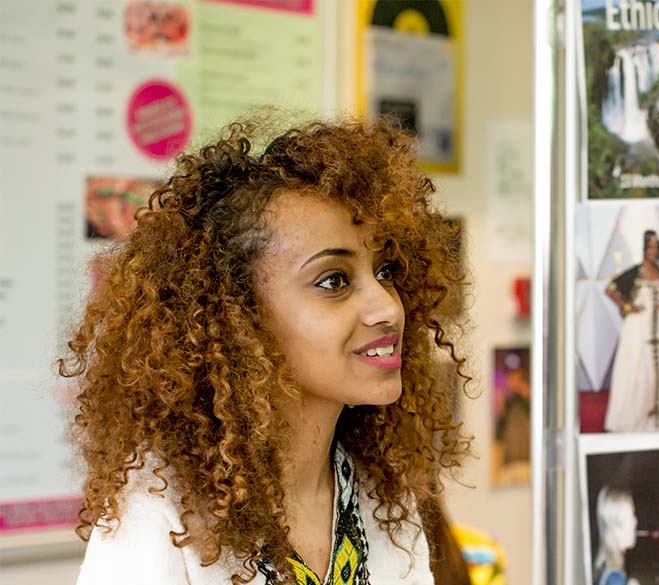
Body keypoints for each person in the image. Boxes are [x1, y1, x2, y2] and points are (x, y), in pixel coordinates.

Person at [64, 118, 470, 584]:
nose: (387, 309)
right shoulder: (159, 511)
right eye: (334, 281)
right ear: (239, 315)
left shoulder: (384, 495)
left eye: (384, 272)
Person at [603, 230, 659, 432]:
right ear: (644, 249)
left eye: (657, 247)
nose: (654, 251)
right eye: (650, 247)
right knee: (638, 371)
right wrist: (627, 307)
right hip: (639, 328)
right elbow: (610, 289)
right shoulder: (635, 273)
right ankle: (637, 420)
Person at [594, 487, 640, 585]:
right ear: (615, 530)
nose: (635, 522)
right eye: (631, 517)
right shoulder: (615, 579)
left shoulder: (605, 567)